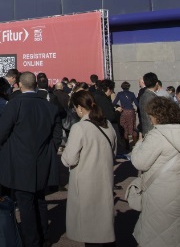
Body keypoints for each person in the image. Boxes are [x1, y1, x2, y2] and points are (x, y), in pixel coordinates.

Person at [0, 71, 62, 246]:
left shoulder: (15, 105)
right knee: (40, 200)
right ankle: (45, 238)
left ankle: (32, 240)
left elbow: (1, 132)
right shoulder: (50, 107)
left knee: (26, 204)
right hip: (42, 161)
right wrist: (50, 150)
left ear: (19, 84)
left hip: (20, 160)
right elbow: (57, 135)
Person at [131, 97, 180, 247]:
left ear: (157, 116)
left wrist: (139, 144)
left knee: (156, 236)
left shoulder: (158, 135)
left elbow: (139, 162)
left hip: (160, 193)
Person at [61, 90, 116, 247]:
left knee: (89, 228)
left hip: (85, 180)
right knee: (103, 224)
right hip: (105, 177)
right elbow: (114, 151)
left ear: (79, 108)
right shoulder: (107, 124)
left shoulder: (80, 128)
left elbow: (69, 159)